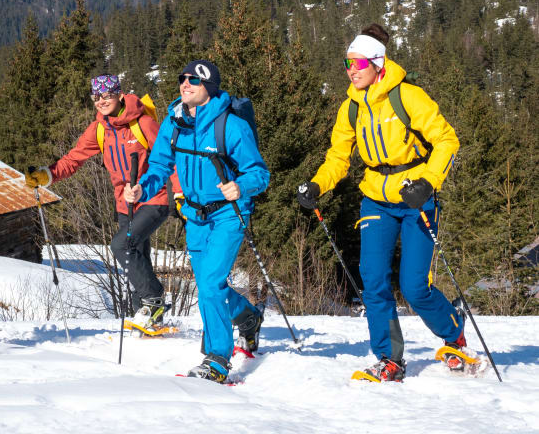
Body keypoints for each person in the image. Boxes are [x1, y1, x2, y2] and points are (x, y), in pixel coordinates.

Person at [297, 24, 464, 381]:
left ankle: (454, 334)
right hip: (375, 198)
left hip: (415, 196)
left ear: (378, 64)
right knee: (373, 281)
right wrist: (317, 185)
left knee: (414, 287)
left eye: (358, 63)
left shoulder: (408, 97)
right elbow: (338, 157)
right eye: (347, 63)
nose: (351, 70)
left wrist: (428, 182)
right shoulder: (350, 108)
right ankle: (390, 359)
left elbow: (447, 140)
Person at [124, 60, 269, 383]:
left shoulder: (230, 126)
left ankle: (217, 359)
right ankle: (247, 317)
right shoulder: (174, 122)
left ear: (210, 88)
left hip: (228, 214)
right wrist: (141, 188)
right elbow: (159, 166)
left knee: (211, 284)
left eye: (194, 80)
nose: (185, 84)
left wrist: (240, 186)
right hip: (194, 216)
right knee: (208, 286)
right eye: (183, 78)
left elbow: (259, 173)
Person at [26, 74, 180, 328]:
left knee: (121, 245)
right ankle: (149, 320)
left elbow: (170, 157)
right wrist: (48, 175)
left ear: (119, 95)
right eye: (96, 97)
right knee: (137, 261)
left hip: (154, 198)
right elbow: (74, 159)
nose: (101, 101)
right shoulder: (99, 129)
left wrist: (181, 194)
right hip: (124, 203)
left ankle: (154, 299)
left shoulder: (143, 123)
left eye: (107, 95)